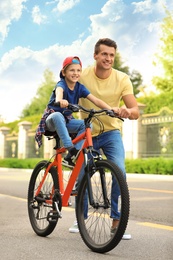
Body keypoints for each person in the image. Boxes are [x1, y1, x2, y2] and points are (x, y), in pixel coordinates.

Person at [69, 38, 139, 240]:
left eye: (112, 55)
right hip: (87, 130)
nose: (108, 58)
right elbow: (67, 90)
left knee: (120, 172)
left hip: (110, 134)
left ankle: (117, 223)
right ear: (95, 56)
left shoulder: (122, 79)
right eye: (105, 54)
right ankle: (80, 218)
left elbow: (135, 111)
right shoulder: (82, 75)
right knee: (82, 174)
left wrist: (127, 111)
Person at [35, 56, 115, 167]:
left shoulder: (80, 87)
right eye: (72, 70)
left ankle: (71, 156)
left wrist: (111, 110)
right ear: (64, 72)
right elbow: (59, 92)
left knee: (87, 125)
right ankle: (70, 149)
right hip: (51, 121)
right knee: (57, 115)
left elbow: (95, 100)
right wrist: (60, 101)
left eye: (78, 70)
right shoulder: (61, 84)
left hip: (66, 121)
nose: (75, 73)